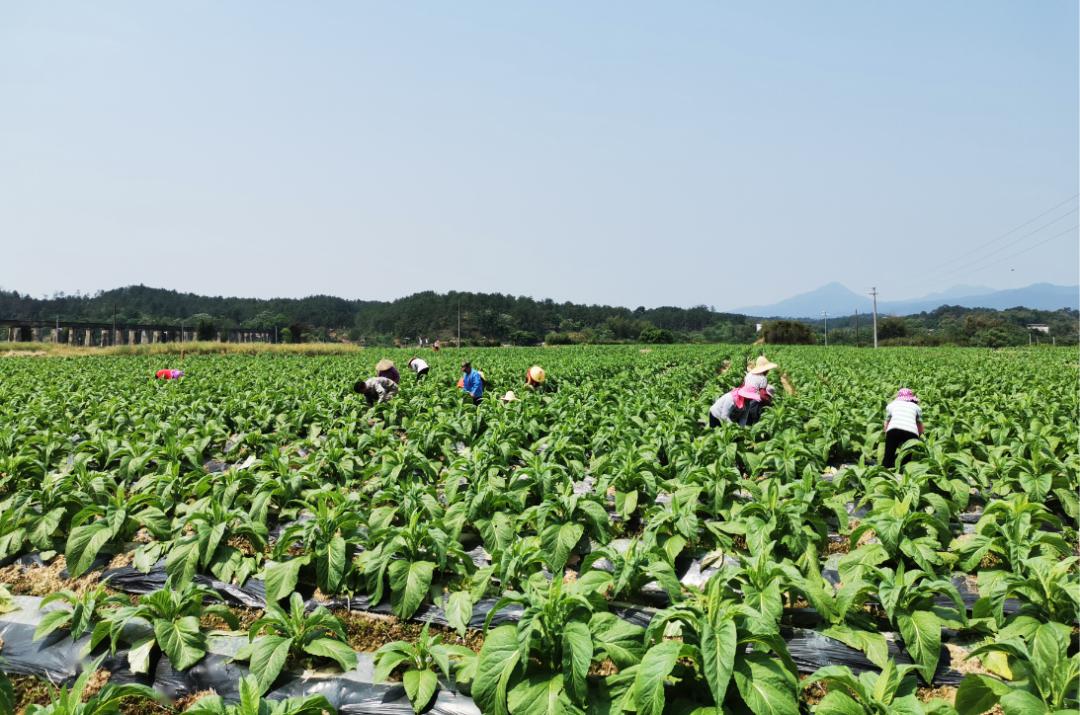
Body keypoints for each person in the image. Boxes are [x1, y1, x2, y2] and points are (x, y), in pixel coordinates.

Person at [883, 387, 923, 469]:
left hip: (893, 429)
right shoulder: (916, 407)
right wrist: (919, 436)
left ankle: (885, 472)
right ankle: (903, 473)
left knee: (889, 453)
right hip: (911, 431)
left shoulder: (892, 405)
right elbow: (919, 424)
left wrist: (886, 434)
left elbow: (887, 422)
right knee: (907, 455)